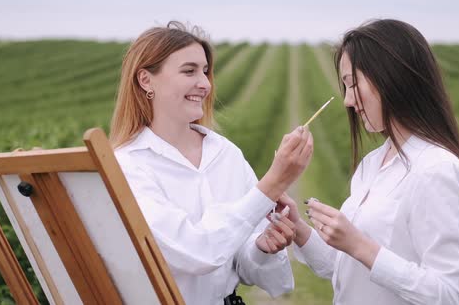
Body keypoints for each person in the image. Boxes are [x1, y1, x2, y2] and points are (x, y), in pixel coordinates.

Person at [278, 19, 459, 304]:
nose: (348, 101)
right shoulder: (372, 164)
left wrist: (360, 244)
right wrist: (299, 230)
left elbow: (451, 295)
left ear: (391, 77)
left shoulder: (435, 170)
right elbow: (351, 269)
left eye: (353, 85)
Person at [110, 21, 314, 305]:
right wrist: (272, 184)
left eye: (205, 71)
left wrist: (261, 249)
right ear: (146, 80)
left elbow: (242, 265)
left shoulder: (226, 154)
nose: (205, 84)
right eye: (189, 71)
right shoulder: (128, 166)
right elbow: (196, 252)